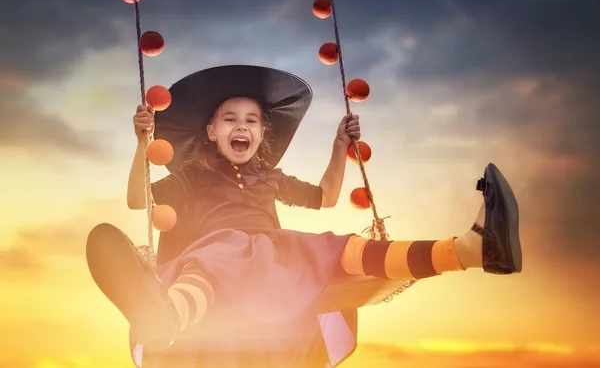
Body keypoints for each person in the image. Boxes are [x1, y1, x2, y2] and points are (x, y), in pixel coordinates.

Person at [86, 65, 522, 368]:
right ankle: (169, 316)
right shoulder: (189, 176)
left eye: (253, 120)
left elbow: (326, 196)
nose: (243, 126)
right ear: (211, 132)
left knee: (340, 250)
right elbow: (136, 199)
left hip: (277, 266)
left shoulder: (269, 177)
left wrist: (339, 147)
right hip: (214, 270)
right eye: (230, 119)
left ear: (261, 134)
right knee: (223, 249)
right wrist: (143, 143)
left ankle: (470, 250)